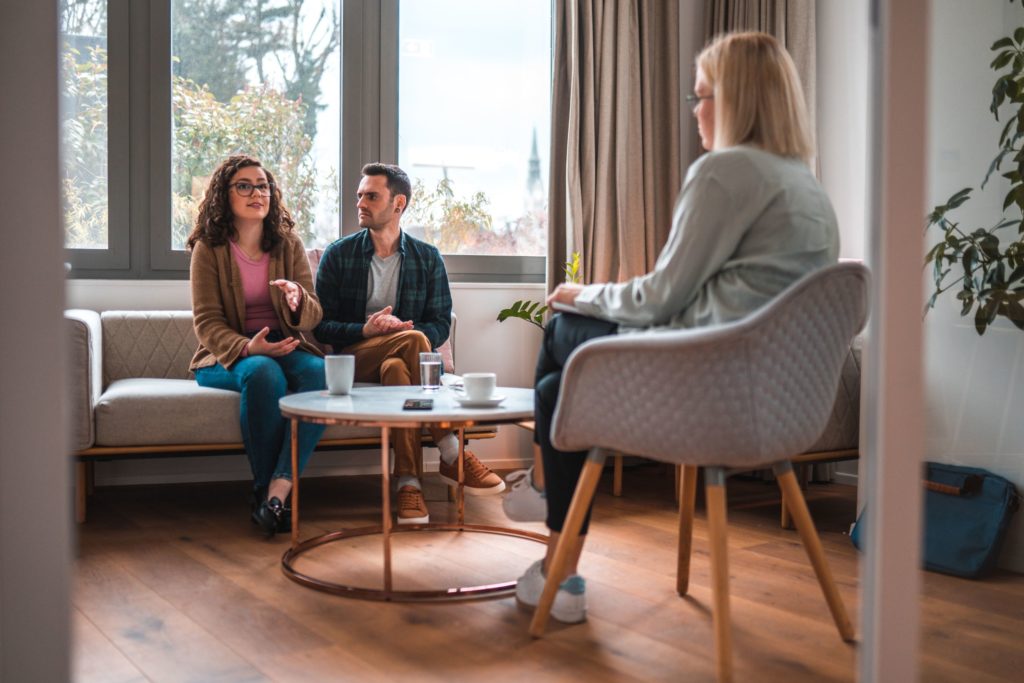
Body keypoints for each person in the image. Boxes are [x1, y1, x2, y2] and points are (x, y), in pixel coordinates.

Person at [511, 31, 840, 624]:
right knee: (557, 392)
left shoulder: (724, 172)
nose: (695, 112)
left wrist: (583, 291)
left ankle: (550, 522)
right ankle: (561, 567)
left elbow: (662, 297)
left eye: (703, 96)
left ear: (736, 99)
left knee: (561, 334)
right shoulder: (807, 187)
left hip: (706, 388)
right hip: (778, 403)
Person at [314, 162, 505, 525]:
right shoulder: (339, 255)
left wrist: (402, 336)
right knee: (412, 339)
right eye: (359, 195)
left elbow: (440, 323)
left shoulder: (427, 257)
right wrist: (367, 331)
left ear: (398, 203)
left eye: (371, 196)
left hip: (399, 365)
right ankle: (451, 450)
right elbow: (322, 327)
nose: (361, 203)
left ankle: (409, 485)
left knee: (398, 367)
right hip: (356, 357)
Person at [187, 154, 327, 538]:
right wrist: (250, 349)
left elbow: (314, 314)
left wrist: (298, 300)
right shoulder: (209, 249)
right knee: (264, 374)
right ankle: (268, 494)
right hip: (228, 355)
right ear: (224, 195)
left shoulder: (288, 244)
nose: (256, 193)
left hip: (285, 346)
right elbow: (207, 322)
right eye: (244, 186)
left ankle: (278, 490)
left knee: (319, 373)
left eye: (262, 186)